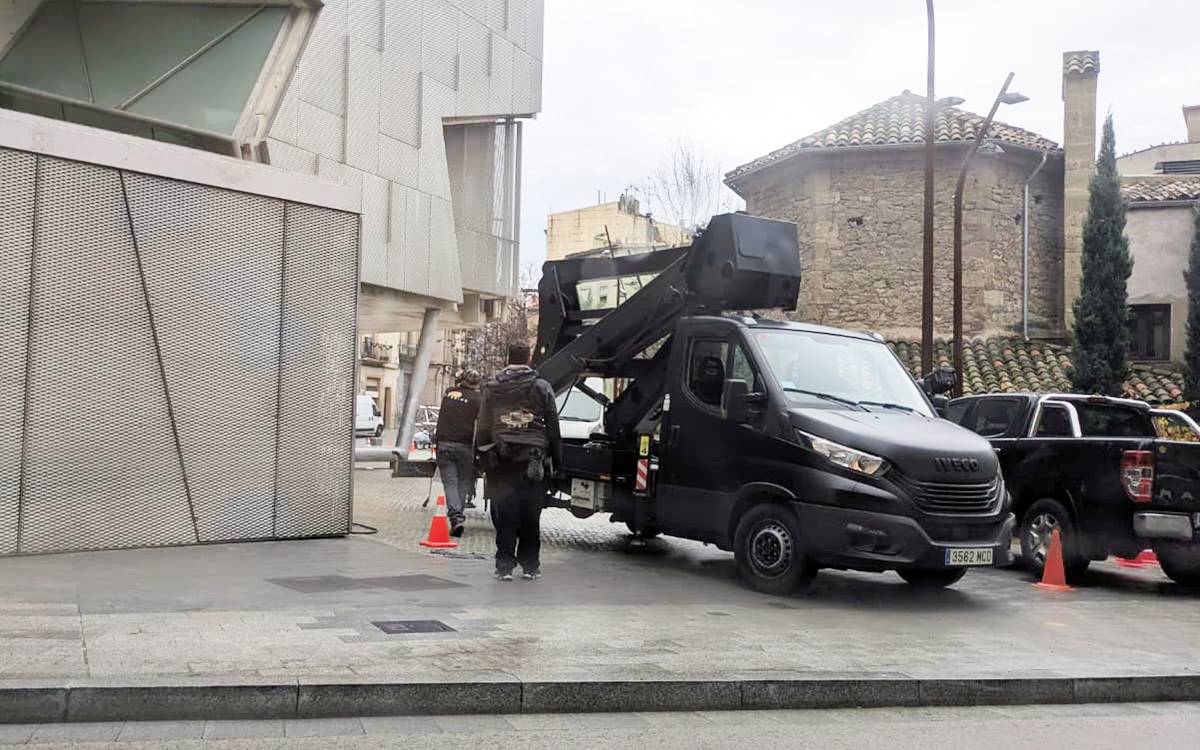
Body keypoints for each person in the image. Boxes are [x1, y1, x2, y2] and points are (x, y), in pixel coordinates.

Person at [476, 342, 561, 581]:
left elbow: (482, 425)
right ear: (528, 359)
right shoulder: (542, 387)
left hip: (500, 458)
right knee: (531, 514)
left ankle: (504, 566)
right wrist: (557, 459)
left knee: (505, 514)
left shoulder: (492, 388)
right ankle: (530, 566)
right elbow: (553, 427)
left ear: (508, 357)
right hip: (533, 460)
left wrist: (480, 455)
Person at [434, 368, 482, 537]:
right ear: (477, 384)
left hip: (444, 445)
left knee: (450, 483)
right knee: (462, 483)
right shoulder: (478, 399)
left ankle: (457, 518)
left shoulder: (448, 394)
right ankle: (457, 517)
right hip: (465, 447)